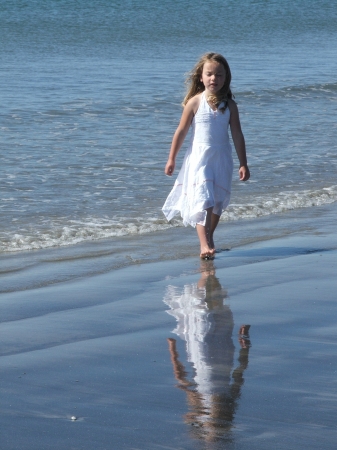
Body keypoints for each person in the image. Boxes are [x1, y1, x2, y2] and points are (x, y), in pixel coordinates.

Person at [162, 52, 250, 259]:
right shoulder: (194, 102)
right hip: (200, 159)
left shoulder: (230, 106)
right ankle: (205, 244)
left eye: (219, 75)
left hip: (221, 160)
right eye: (209, 74)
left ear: (226, 78)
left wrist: (243, 163)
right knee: (204, 200)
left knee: (217, 203)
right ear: (200, 77)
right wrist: (171, 158)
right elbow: (181, 131)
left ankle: (209, 239)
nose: (214, 79)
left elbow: (237, 134)